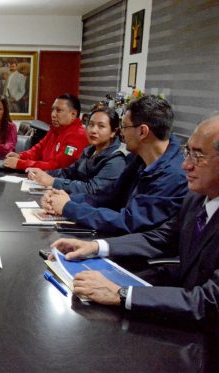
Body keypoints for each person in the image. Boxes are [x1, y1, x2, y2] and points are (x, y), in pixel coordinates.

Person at [50, 115, 219, 324]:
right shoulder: (196, 197)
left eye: (197, 156)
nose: (185, 165)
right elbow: (161, 238)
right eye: (188, 152)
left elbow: (210, 302)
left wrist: (121, 294)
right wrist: (95, 247)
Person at [42, 95, 188, 235]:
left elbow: (129, 222)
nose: (122, 134)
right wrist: (64, 199)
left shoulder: (174, 175)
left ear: (143, 131)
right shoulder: (138, 160)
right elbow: (108, 196)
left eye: (124, 127)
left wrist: (69, 208)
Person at [28, 107, 127, 194]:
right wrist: (44, 174)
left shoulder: (117, 159)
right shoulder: (89, 150)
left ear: (113, 132)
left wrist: (53, 182)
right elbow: (69, 172)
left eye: (101, 126)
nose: (93, 130)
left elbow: (92, 189)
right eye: (91, 125)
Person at [3, 93, 89, 171]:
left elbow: (58, 167)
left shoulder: (78, 136)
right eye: (53, 110)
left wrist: (20, 164)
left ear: (73, 114)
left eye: (59, 110)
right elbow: (38, 150)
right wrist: (20, 156)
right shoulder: (55, 130)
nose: (53, 114)